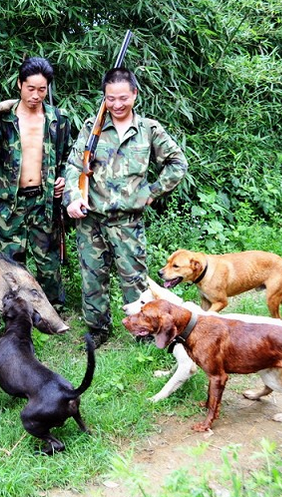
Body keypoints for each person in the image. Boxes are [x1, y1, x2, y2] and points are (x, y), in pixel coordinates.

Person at [64, 67, 188, 348]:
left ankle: (146, 333)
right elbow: (73, 166)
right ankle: (97, 330)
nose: (117, 105)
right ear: (104, 98)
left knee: (134, 280)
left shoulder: (148, 130)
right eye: (110, 99)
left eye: (123, 98)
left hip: (128, 222)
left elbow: (178, 163)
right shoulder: (91, 128)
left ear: (135, 94)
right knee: (92, 278)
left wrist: (152, 191)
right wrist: (73, 196)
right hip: (90, 220)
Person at [0, 57, 71, 307]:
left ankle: (52, 310)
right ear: (19, 84)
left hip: (44, 201)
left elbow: (70, 158)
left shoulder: (58, 120)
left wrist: (63, 179)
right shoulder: (3, 118)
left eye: (41, 89)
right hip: (10, 203)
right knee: (10, 259)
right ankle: (13, 309)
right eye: (31, 88)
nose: (36, 95)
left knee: (47, 260)